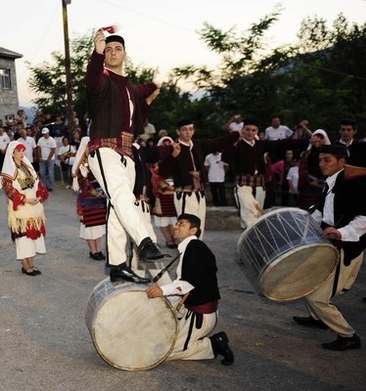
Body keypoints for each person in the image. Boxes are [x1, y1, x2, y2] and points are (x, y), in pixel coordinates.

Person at [85, 29, 169, 284]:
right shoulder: (102, 79)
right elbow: (92, 80)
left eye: (116, 49)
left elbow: (143, 96)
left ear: (125, 54)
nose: (112, 52)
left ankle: (118, 264)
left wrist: (155, 87)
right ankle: (145, 242)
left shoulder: (129, 86)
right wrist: (96, 54)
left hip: (127, 151)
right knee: (121, 195)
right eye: (107, 49)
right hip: (104, 146)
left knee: (119, 205)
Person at [292, 144, 366, 350]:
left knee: (317, 297)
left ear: (341, 162)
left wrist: (340, 232)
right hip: (331, 246)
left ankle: (348, 336)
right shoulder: (331, 184)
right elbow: (322, 212)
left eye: (326, 160)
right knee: (309, 279)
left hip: (347, 249)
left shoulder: (354, 186)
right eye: (320, 160)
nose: (321, 164)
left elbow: (364, 221)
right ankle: (318, 318)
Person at [145, 214, 234, 365]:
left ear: (193, 230)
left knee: (167, 352)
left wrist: (162, 291)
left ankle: (214, 344)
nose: (175, 226)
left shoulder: (196, 249)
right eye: (176, 223)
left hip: (200, 317)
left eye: (181, 224)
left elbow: (188, 283)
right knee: (165, 340)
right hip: (191, 311)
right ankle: (193, 339)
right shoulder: (190, 247)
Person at [0, 141, 49, 276]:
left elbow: (38, 184)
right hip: (21, 208)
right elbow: (9, 190)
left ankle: (31, 263)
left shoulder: (28, 167)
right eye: (19, 151)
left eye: (22, 151)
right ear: (12, 153)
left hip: (34, 206)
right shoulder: (9, 171)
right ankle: (25, 266)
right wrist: (25, 199)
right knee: (23, 237)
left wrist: (39, 196)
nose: (21, 153)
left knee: (32, 237)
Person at [71, 137, 106, 260]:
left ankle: (99, 250)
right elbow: (83, 184)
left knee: (98, 225)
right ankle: (93, 251)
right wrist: (97, 194)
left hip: (99, 198)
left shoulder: (94, 160)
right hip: (87, 199)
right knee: (89, 226)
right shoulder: (80, 165)